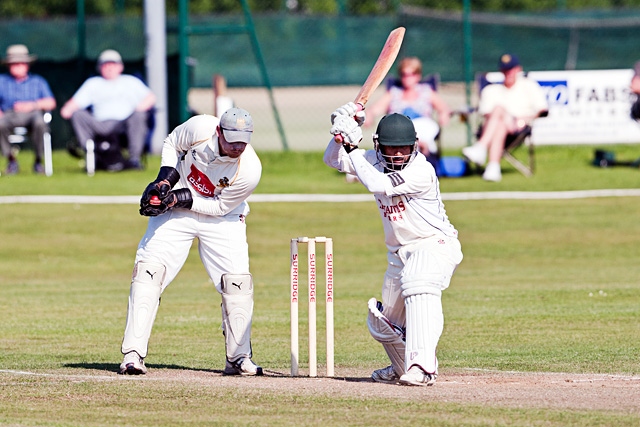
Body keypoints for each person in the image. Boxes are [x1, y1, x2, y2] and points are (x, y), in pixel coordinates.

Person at [324, 103, 463, 386]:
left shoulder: (421, 171)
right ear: (379, 146)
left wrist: (351, 148)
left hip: (434, 244)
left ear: (414, 145)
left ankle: (422, 367)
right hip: (399, 253)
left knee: (418, 280)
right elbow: (332, 160)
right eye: (390, 148)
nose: (398, 154)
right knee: (382, 323)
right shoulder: (372, 158)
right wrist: (341, 130)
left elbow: (380, 185)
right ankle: (401, 368)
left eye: (403, 148)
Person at [119, 108, 263, 376]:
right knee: (149, 273)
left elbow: (219, 207)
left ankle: (238, 357)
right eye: (232, 140)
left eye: (243, 142)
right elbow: (172, 144)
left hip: (224, 218)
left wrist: (177, 197)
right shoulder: (200, 127)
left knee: (237, 283)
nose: (237, 147)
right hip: (176, 214)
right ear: (219, 131)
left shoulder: (250, 170)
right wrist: (164, 182)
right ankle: (132, 354)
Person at [60, 49, 156, 170]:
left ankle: (134, 159)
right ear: (100, 67)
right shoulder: (93, 83)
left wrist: (139, 108)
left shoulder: (131, 81)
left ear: (120, 67)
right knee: (78, 114)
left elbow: (151, 97)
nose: (109, 68)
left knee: (139, 116)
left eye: (113, 64)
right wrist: (68, 109)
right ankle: (91, 157)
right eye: (106, 64)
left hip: (124, 123)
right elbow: (74, 104)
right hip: (99, 124)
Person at [462, 53, 547, 182]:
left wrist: (525, 118)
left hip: (518, 128)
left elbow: (543, 109)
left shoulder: (528, 86)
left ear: (518, 69)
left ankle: (481, 148)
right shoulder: (491, 90)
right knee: (499, 119)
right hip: (495, 127)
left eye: (511, 69)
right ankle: (493, 168)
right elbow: (486, 114)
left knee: (498, 110)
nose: (509, 73)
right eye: (505, 70)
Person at [365, 57, 451, 169]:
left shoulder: (426, 91)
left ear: (418, 75)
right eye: (404, 74)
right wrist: (369, 115)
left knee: (425, 128)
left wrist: (443, 115)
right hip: (399, 132)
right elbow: (375, 108)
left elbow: (443, 108)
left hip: (423, 127)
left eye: (412, 74)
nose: (407, 78)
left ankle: (420, 146)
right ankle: (420, 147)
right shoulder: (394, 93)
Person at [0, 44, 56, 175]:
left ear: (27, 65)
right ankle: (11, 160)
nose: (18, 66)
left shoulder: (38, 81)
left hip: (33, 114)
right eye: (15, 64)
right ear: (9, 65)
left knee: (40, 124)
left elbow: (51, 102)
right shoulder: (2, 81)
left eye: (21, 63)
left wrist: (32, 105)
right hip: (9, 115)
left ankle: (38, 160)